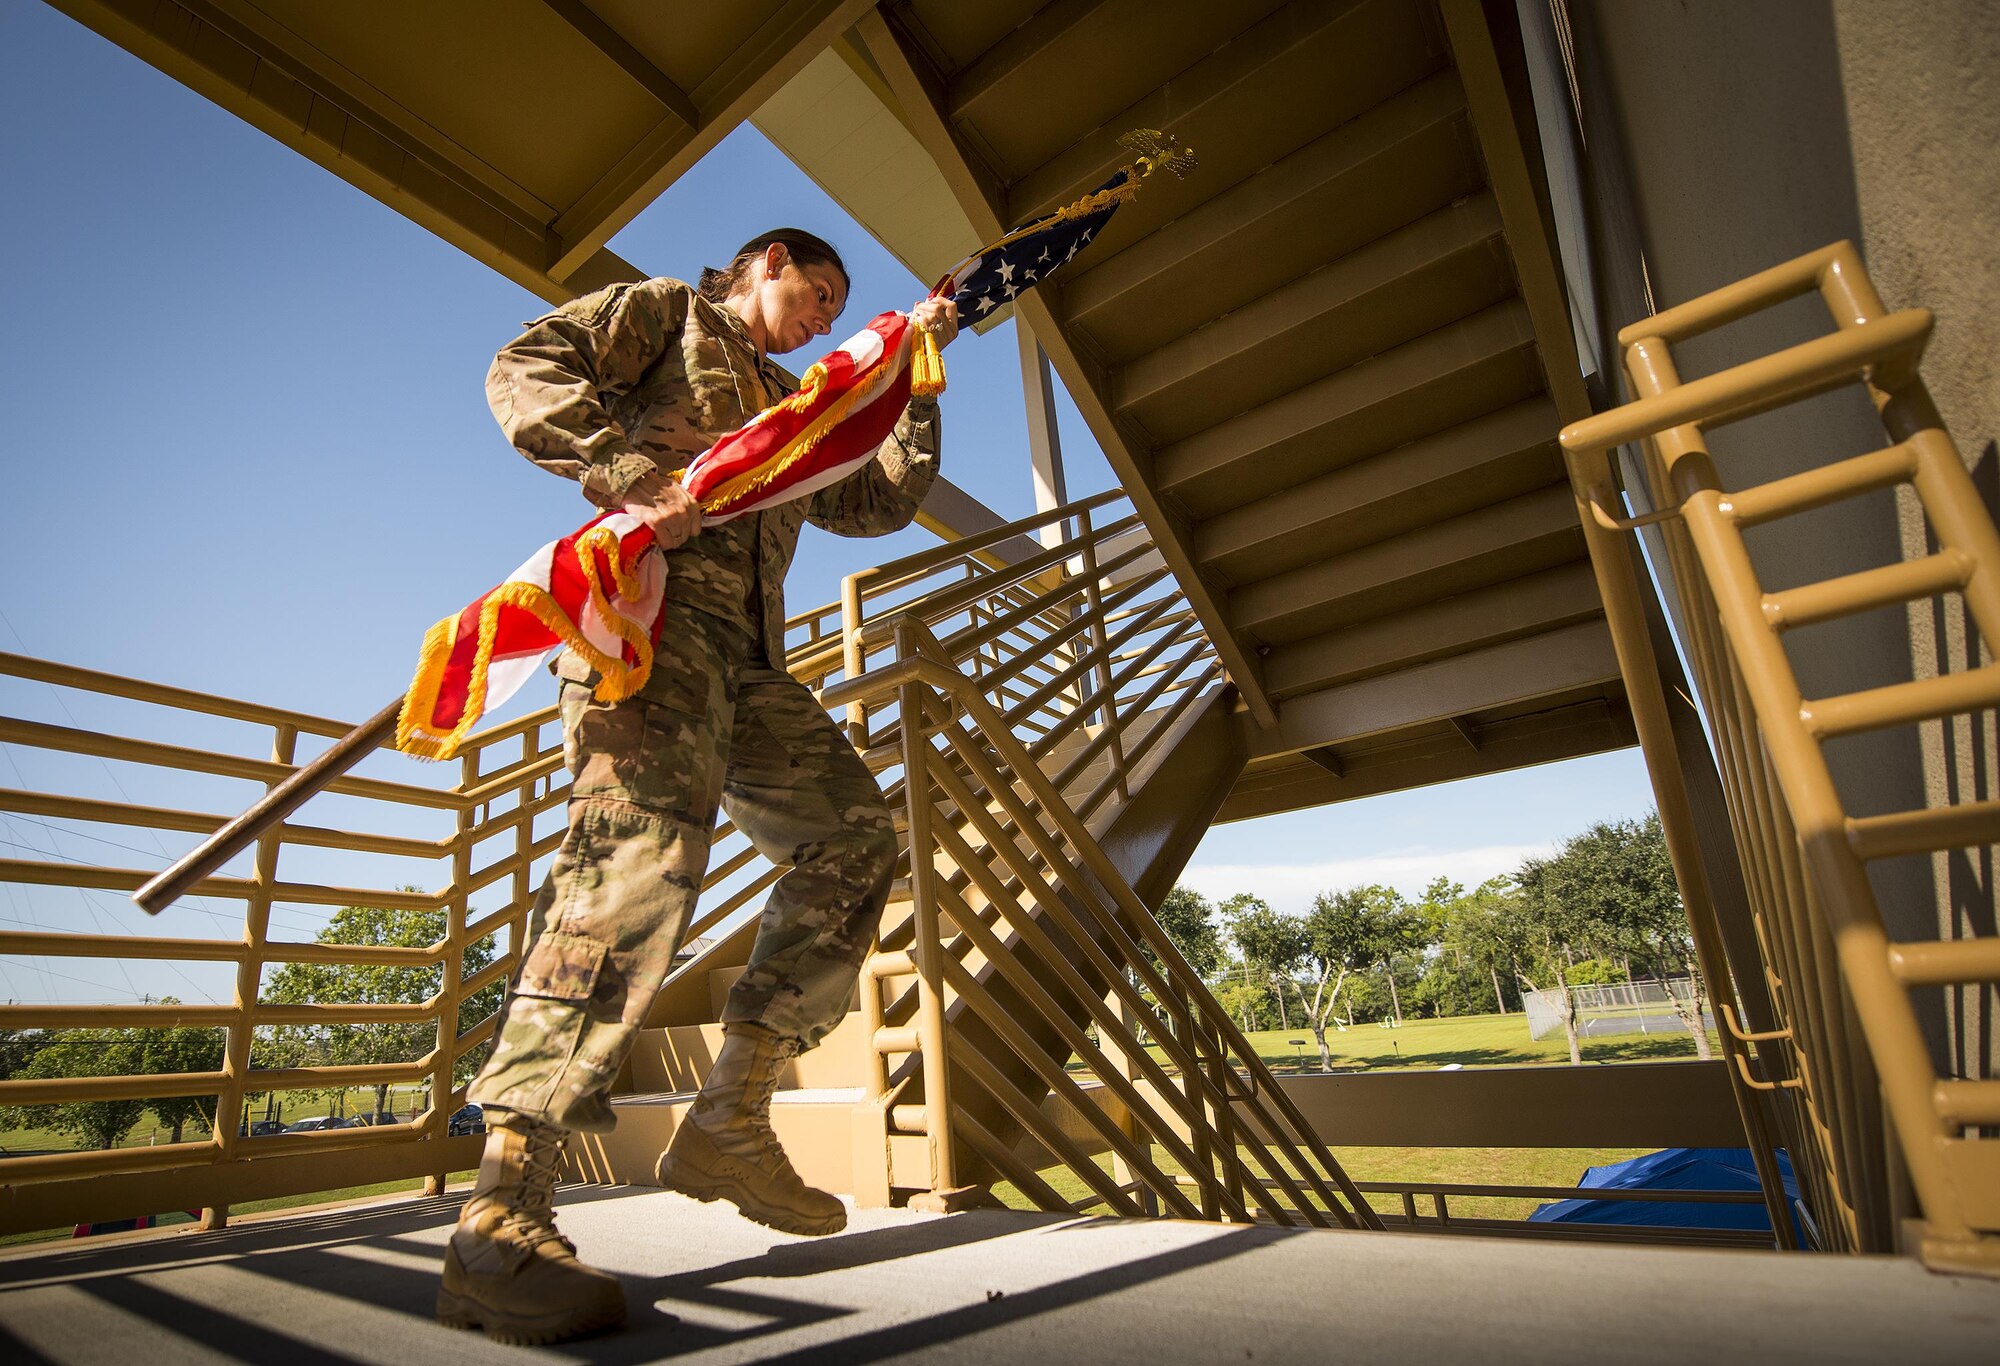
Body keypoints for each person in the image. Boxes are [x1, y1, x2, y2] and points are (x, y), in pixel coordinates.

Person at [435, 228, 959, 1345]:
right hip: (647, 629)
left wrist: (914, 379)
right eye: (812, 290)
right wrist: (631, 474)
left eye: (835, 305)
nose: (822, 316)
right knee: (630, 877)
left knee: (856, 838)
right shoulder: (674, 314)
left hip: (750, 668)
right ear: (760, 263)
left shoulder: (799, 400)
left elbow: (870, 505)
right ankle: (501, 1207)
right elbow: (524, 367)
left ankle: (733, 1112)